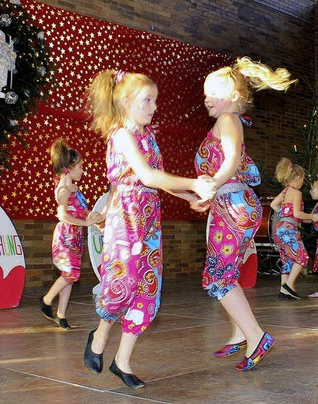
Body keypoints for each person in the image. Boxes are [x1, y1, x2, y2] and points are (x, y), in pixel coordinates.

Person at [82, 70, 216, 388]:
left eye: (155, 101)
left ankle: (122, 360)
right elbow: (147, 176)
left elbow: (159, 178)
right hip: (125, 219)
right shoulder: (122, 135)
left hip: (148, 221)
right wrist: (195, 183)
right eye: (147, 100)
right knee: (123, 283)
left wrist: (189, 196)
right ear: (126, 101)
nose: (154, 107)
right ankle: (99, 336)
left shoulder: (148, 136)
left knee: (147, 289)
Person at [194, 57, 296, 371]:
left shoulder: (227, 120)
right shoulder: (229, 119)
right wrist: (205, 192)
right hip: (233, 204)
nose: (207, 97)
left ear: (234, 97)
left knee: (218, 277)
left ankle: (255, 336)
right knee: (229, 274)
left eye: (214, 92)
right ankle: (240, 332)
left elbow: (231, 159)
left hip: (231, 206)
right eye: (205, 92)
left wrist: (212, 183)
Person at [39, 139, 102, 330]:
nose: (83, 170)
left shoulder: (74, 189)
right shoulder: (63, 190)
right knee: (70, 274)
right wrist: (86, 222)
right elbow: (63, 215)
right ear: (69, 168)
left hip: (76, 237)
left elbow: (80, 212)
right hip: (66, 236)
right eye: (81, 166)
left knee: (71, 277)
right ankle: (46, 300)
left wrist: (95, 220)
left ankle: (61, 315)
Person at [270, 157, 314, 300]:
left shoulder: (284, 191)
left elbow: (273, 205)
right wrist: (313, 217)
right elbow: (297, 214)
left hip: (280, 228)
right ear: (299, 177)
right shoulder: (297, 192)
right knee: (302, 257)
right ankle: (288, 285)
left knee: (287, 260)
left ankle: (284, 290)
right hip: (289, 229)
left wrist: (284, 214)